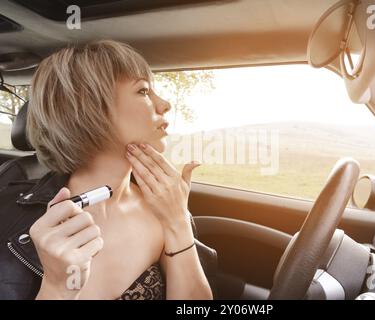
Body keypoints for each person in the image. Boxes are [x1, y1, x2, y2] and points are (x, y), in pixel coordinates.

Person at [0, 40, 214, 300]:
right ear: (89, 109)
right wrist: (57, 287)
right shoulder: (8, 217)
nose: (164, 104)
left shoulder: (163, 207)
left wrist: (178, 221)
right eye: (144, 91)